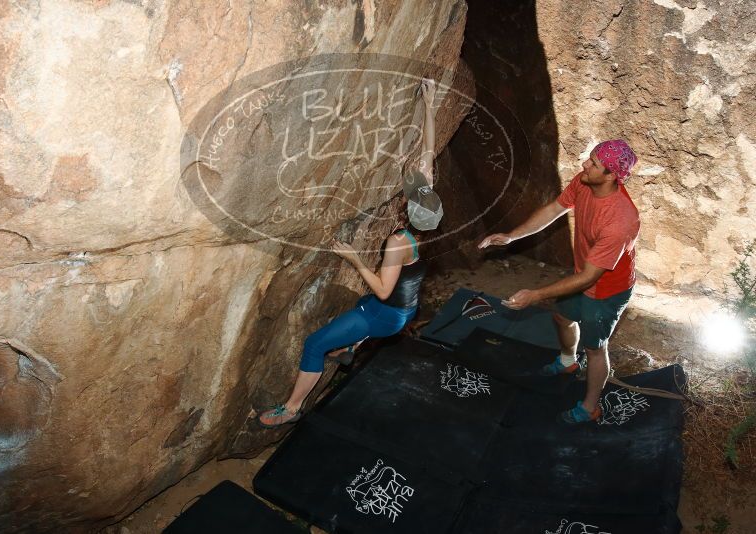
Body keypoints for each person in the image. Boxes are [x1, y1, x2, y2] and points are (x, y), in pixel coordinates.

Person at [259, 79, 443, 427]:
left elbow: (384, 290)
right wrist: (430, 106)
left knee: (314, 344)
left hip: (387, 314)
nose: (413, 187)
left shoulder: (398, 241)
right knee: (360, 307)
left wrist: (354, 258)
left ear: (409, 206)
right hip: (404, 308)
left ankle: (292, 408)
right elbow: (428, 154)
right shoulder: (427, 218)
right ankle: (351, 347)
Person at [478, 140, 639, 424]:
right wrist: (512, 236)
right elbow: (554, 209)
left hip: (605, 291)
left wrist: (535, 295)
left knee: (595, 348)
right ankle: (567, 362)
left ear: (612, 175)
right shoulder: (585, 182)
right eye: (589, 159)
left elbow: (591, 277)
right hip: (583, 274)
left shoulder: (620, 220)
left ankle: (590, 408)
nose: (584, 165)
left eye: (593, 164)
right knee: (562, 317)